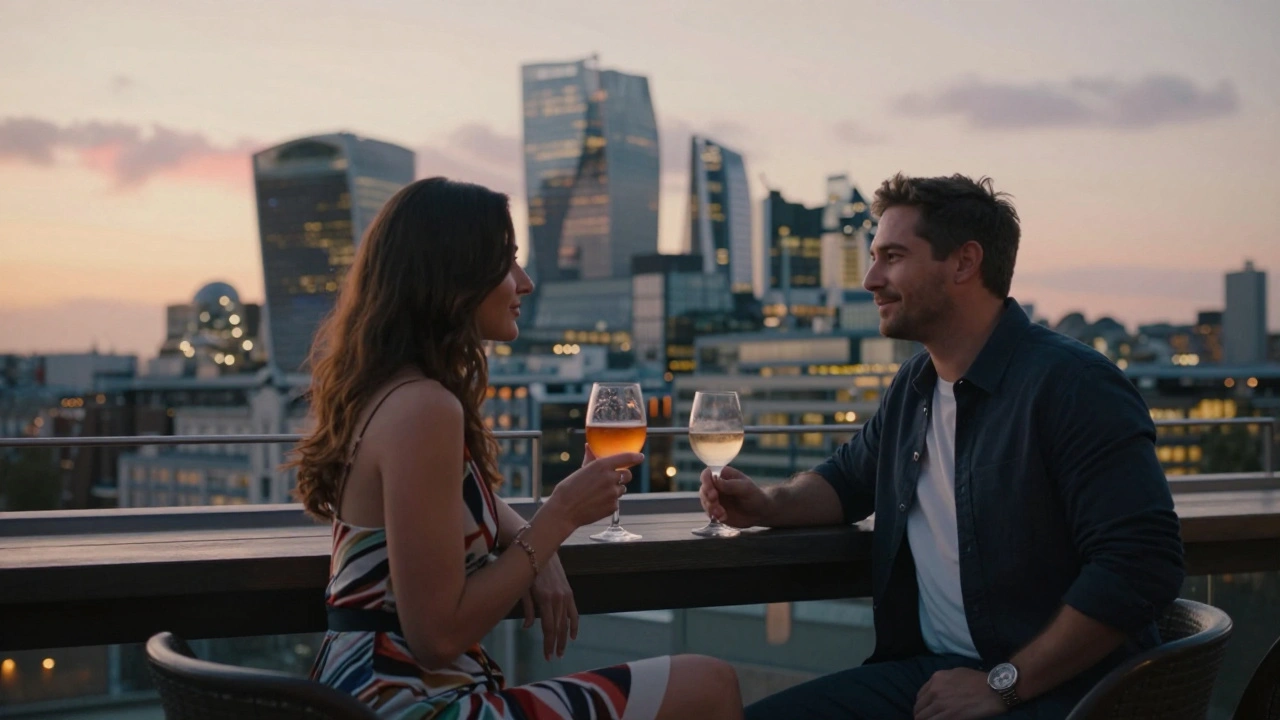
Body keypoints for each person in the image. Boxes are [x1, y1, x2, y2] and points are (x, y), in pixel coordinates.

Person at [701, 173, 1185, 720]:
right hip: (934, 676)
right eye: (873, 258)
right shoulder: (916, 386)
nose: (871, 280)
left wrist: (1003, 686)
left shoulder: (1073, 385)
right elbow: (846, 481)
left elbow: (1141, 565)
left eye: (892, 257)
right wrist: (766, 504)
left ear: (964, 263)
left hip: (1066, 693)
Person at [294, 177, 742, 720]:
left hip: (363, 693)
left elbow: (444, 511)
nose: (525, 282)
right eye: (506, 262)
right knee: (710, 684)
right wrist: (558, 519)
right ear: (454, 277)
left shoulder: (390, 393)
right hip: (410, 703)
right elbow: (436, 637)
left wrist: (535, 544)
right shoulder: (425, 409)